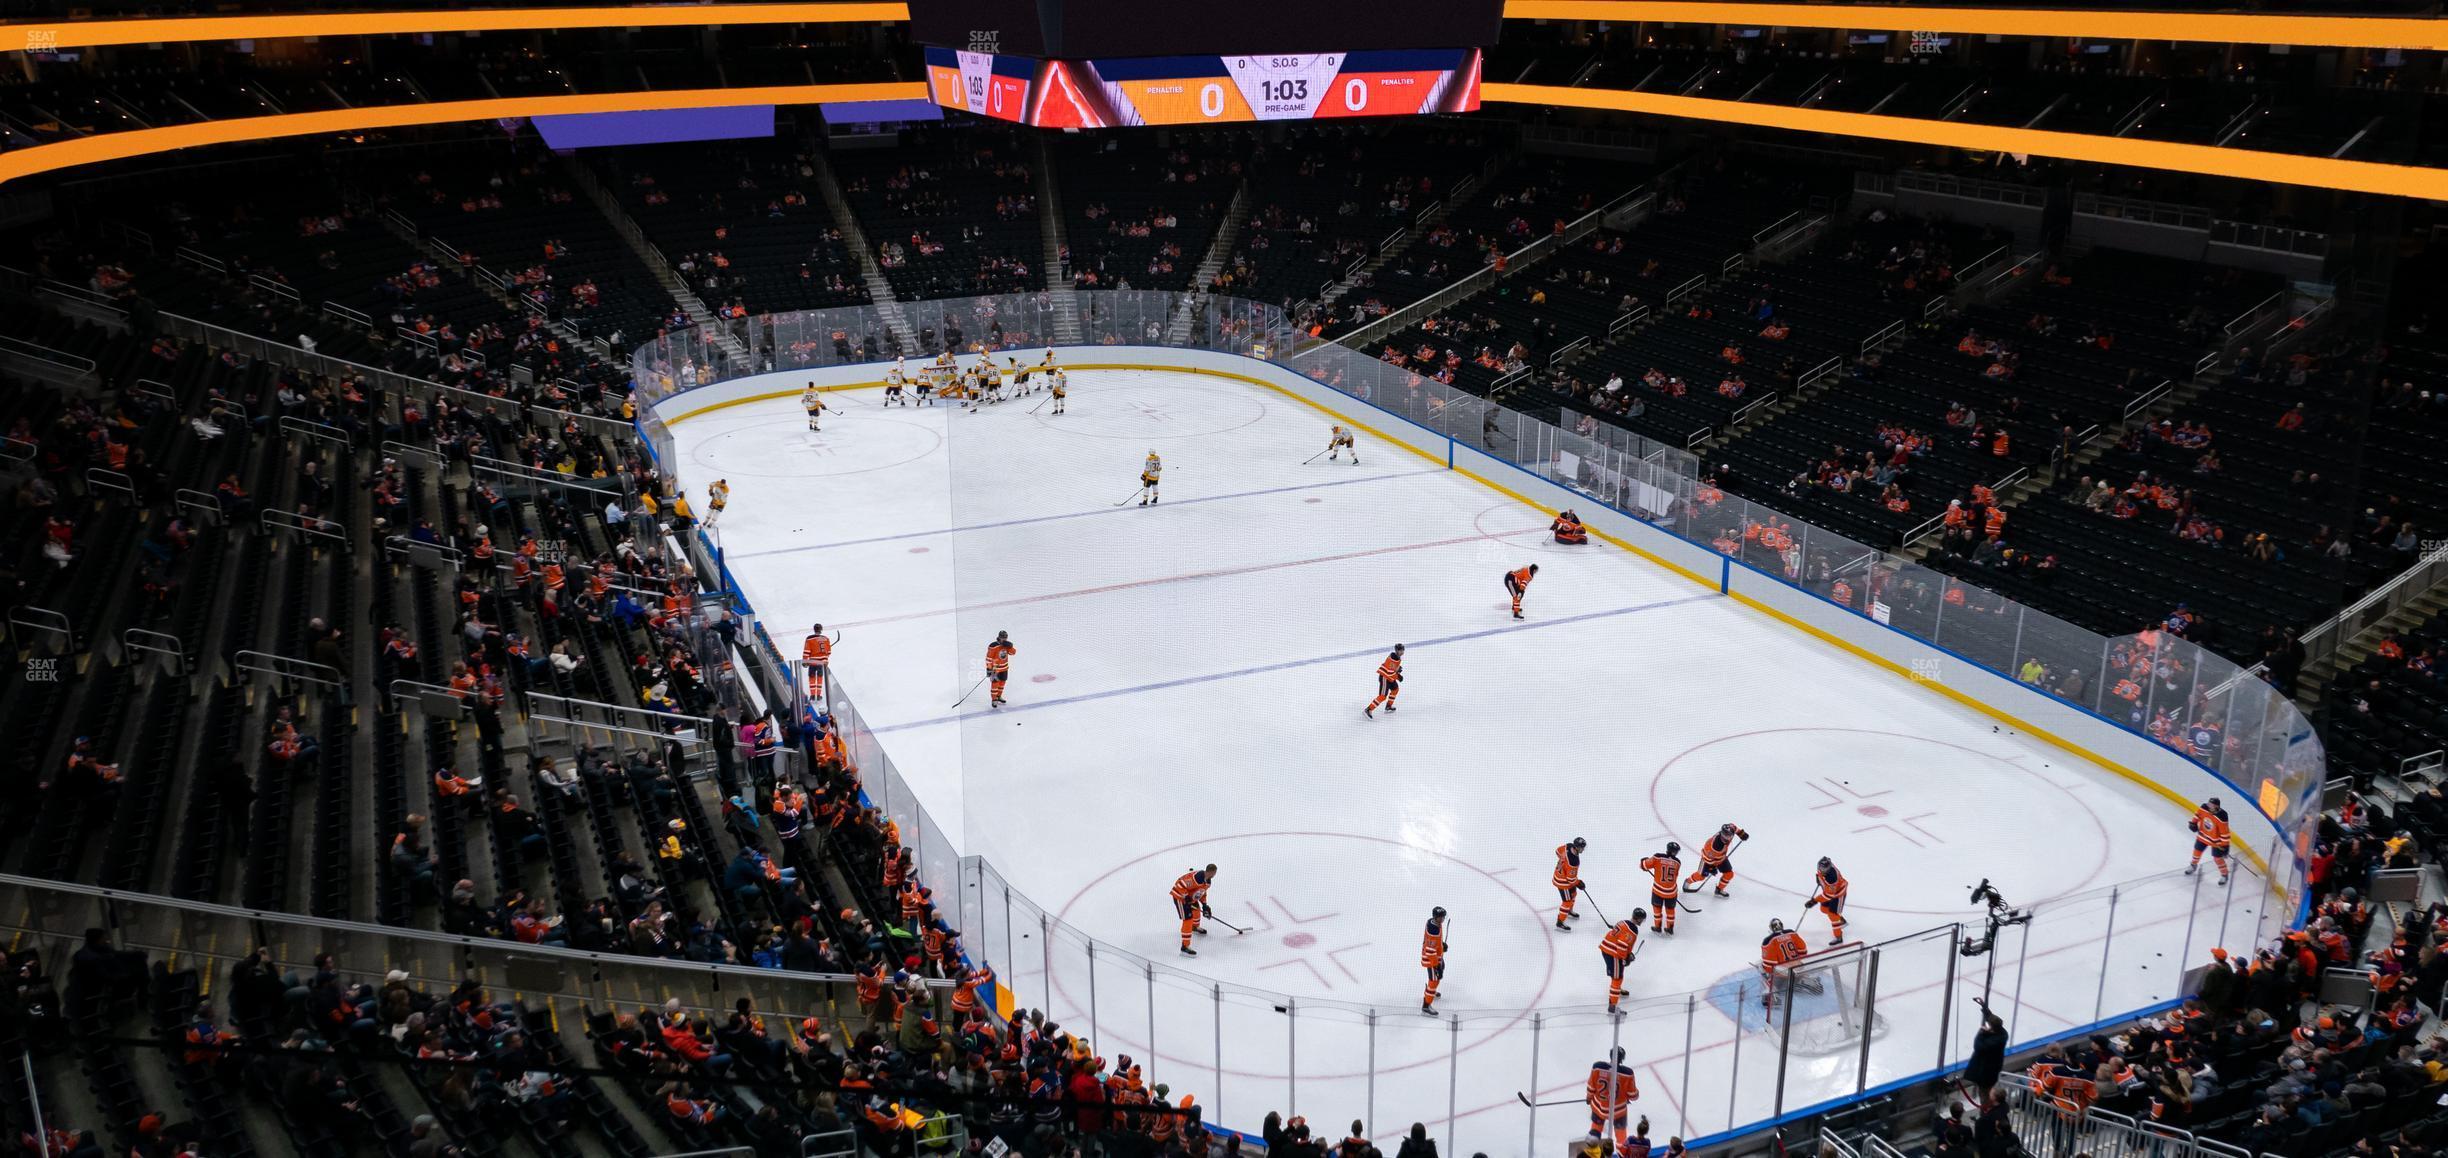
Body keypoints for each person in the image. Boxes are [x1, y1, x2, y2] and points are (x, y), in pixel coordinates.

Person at [1586, 1051, 1640, 1150]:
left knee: (1595, 1132)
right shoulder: (1628, 1073)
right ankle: (1622, 1153)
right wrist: (1633, 1095)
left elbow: (1591, 1088)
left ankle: (1592, 1152)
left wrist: (1589, 1098)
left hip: (1599, 1108)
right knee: (1621, 1138)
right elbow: (1633, 1095)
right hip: (1618, 1111)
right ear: (1622, 1059)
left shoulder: (1597, 1067)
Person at [1685, 823, 1748, 897]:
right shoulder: (1715, 846)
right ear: (1722, 833)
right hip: (1707, 860)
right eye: (1725, 835)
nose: (1727, 838)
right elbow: (1707, 858)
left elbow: (1734, 827)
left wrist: (1741, 833)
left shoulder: (1730, 830)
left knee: (1729, 874)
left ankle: (1719, 890)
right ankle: (1687, 882)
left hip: (1720, 858)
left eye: (1729, 836)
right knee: (1701, 876)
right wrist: (1711, 868)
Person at [1760, 917, 1808, 1006]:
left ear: (1771, 928)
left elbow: (1769, 963)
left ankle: (1771, 992)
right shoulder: (1792, 933)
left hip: (1784, 972)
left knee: (1761, 966)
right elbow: (1803, 950)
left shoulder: (1768, 940)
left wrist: (1769, 972)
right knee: (1797, 968)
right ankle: (1803, 980)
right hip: (1799, 968)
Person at [1172, 864, 1217, 956]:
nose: (1215, 875)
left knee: (1196, 911)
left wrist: (1204, 905)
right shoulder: (1196, 878)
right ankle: (1185, 947)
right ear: (1210, 872)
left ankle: (1194, 927)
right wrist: (1185, 897)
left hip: (1189, 897)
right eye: (1214, 873)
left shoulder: (1208, 881)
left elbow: (1202, 893)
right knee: (1188, 919)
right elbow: (1179, 885)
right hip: (1180, 897)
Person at [1601, 915, 1642, 1013]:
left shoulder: (1624, 922)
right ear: (1639, 919)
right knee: (1617, 978)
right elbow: (1622, 945)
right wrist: (1625, 958)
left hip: (1608, 948)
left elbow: (1620, 940)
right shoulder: (1631, 930)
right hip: (1613, 953)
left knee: (1617, 975)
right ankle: (1612, 1007)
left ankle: (1617, 990)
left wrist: (1627, 954)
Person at [1640, 843, 1682, 934]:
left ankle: (1657, 926)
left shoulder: (1657, 857)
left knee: (1657, 908)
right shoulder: (1678, 862)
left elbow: (1644, 865)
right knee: (1670, 910)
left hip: (1658, 890)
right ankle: (1670, 928)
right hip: (1671, 892)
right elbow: (1675, 875)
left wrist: (1643, 861)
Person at [2188, 797, 2232, 884]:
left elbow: (2225, 833)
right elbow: (2197, 814)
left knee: (2217, 859)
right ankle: (2193, 865)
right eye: (2209, 804)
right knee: (2197, 851)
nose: (2209, 806)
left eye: (2211, 805)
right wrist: (2193, 823)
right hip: (2203, 836)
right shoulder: (2204, 808)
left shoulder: (2221, 816)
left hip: (2216, 842)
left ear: (2217, 806)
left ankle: (2224, 874)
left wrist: (2225, 846)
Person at [1810, 857, 1849, 944]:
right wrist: (1819, 878)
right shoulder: (1825, 867)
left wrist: (1814, 901)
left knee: (1833, 914)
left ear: (1829, 868)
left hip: (1838, 894)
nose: (1822, 870)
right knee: (1823, 909)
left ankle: (1838, 937)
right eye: (1821, 868)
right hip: (1830, 891)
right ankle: (1841, 920)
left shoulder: (1832, 878)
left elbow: (1828, 896)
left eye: (1825, 868)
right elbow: (1823, 867)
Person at [1552, 837, 1587, 931]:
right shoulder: (1573, 862)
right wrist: (1579, 883)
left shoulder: (1568, 846)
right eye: (1582, 848)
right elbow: (1570, 879)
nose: (1583, 849)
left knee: (1573, 894)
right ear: (1576, 847)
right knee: (1567, 901)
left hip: (1561, 876)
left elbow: (1557, 851)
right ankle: (1560, 922)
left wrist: (1563, 863)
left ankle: (1569, 911)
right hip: (1563, 883)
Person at [1419, 906, 1448, 1016]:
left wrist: (1441, 945)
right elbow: (1430, 951)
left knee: (1437, 976)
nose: (1442, 920)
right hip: (1431, 960)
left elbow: (1435, 943)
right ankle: (1426, 1005)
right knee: (1434, 980)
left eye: (1443, 917)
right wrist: (1436, 966)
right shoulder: (1433, 930)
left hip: (1436, 957)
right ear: (1435, 917)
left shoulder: (1433, 923)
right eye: (1440, 918)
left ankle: (1431, 992)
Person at [1365, 643, 1404, 718]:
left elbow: (1392, 669)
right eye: (1400, 650)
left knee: (1395, 689)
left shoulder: (1396, 657)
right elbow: (1389, 672)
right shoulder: (1393, 659)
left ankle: (1388, 706)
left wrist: (1397, 670)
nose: (1402, 651)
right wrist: (1398, 676)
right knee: (1382, 696)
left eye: (1402, 650)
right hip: (1385, 678)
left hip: (1389, 677)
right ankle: (1368, 709)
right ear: (1396, 650)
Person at [985, 630, 1016, 708]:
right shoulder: (993, 646)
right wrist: (989, 669)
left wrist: (1011, 647)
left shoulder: (1006, 645)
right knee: (995, 685)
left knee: (1002, 684)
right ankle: (994, 700)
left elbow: (1013, 653)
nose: (1004, 639)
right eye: (1003, 638)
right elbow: (989, 658)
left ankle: (999, 696)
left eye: (1005, 638)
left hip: (1004, 668)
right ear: (999, 637)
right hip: (995, 670)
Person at [803, 623, 834, 701]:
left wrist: (805, 661)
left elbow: (806, 651)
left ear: (814, 629)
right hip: (822, 663)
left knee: (812, 678)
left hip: (813, 661)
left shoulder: (809, 639)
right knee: (820, 678)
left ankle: (813, 695)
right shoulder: (826, 639)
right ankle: (818, 695)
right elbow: (829, 652)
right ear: (821, 630)